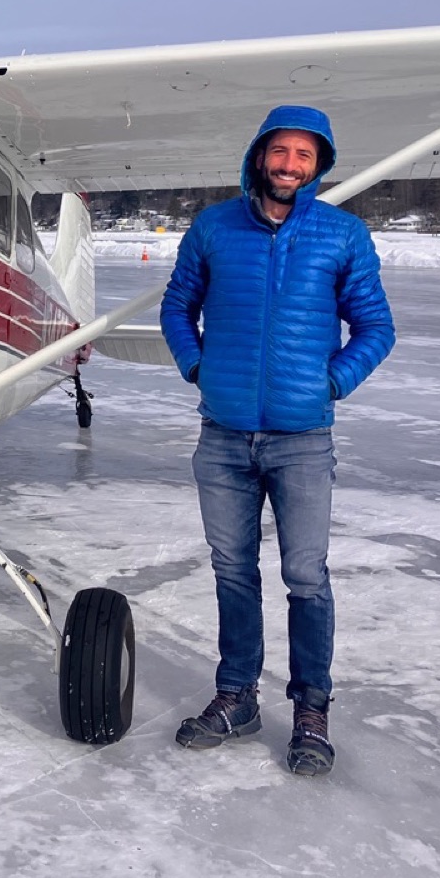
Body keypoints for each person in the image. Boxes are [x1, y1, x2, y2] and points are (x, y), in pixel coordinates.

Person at [160, 105, 395, 775]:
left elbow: (376, 327)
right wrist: (197, 365)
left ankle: (311, 712)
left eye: (305, 156)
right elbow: (178, 305)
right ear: (259, 154)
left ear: (319, 166)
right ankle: (237, 698)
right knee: (233, 571)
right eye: (281, 151)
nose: (291, 165)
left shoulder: (342, 235)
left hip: (301, 440)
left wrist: (332, 382)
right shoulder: (212, 228)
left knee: (305, 577)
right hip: (225, 435)